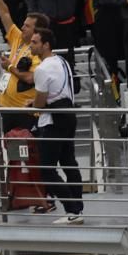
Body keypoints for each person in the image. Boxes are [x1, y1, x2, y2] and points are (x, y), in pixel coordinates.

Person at [27, 28, 85, 224]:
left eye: (35, 42)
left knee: (46, 169)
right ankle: (77, 209)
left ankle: (72, 208)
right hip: (69, 116)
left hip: (54, 121)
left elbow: (40, 103)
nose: (31, 45)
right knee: (69, 163)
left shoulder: (42, 69)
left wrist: (33, 105)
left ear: (46, 45)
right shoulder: (62, 61)